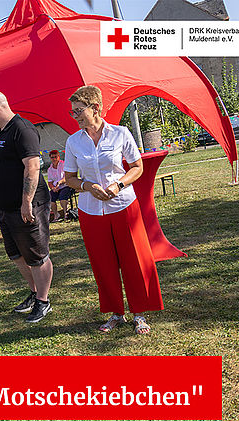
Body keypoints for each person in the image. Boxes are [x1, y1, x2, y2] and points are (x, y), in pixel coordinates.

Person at [63, 85, 163, 335]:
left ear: (95, 108)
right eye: (72, 112)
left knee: (134, 260)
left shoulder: (120, 133)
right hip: (90, 210)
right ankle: (116, 313)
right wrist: (87, 186)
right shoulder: (73, 141)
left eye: (79, 111)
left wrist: (119, 184)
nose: (74, 116)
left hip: (124, 206)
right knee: (103, 264)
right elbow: (69, 178)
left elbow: (137, 167)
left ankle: (139, 313)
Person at [0, 90, 53, 323]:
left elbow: (32, 167)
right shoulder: (0, 132)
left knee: (36, 253)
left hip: (26, 205)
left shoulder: (22, 129)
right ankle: (34, 293)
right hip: (5, 207)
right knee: (15, 254)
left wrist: (26, 202)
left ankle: (44, 301)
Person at [47, 149, 74, 222]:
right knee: (50, 198)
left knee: (62, 198)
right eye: (52, 157)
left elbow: (68, 177)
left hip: (65, 185)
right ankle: (56, 215)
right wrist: (53, 188)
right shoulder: (50, 169)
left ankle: (66, 214)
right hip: (56, 188)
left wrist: (60, 183)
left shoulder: (64, 164)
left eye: (56, 157)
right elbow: (49, 182)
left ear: (59, 157)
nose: (54, 159)